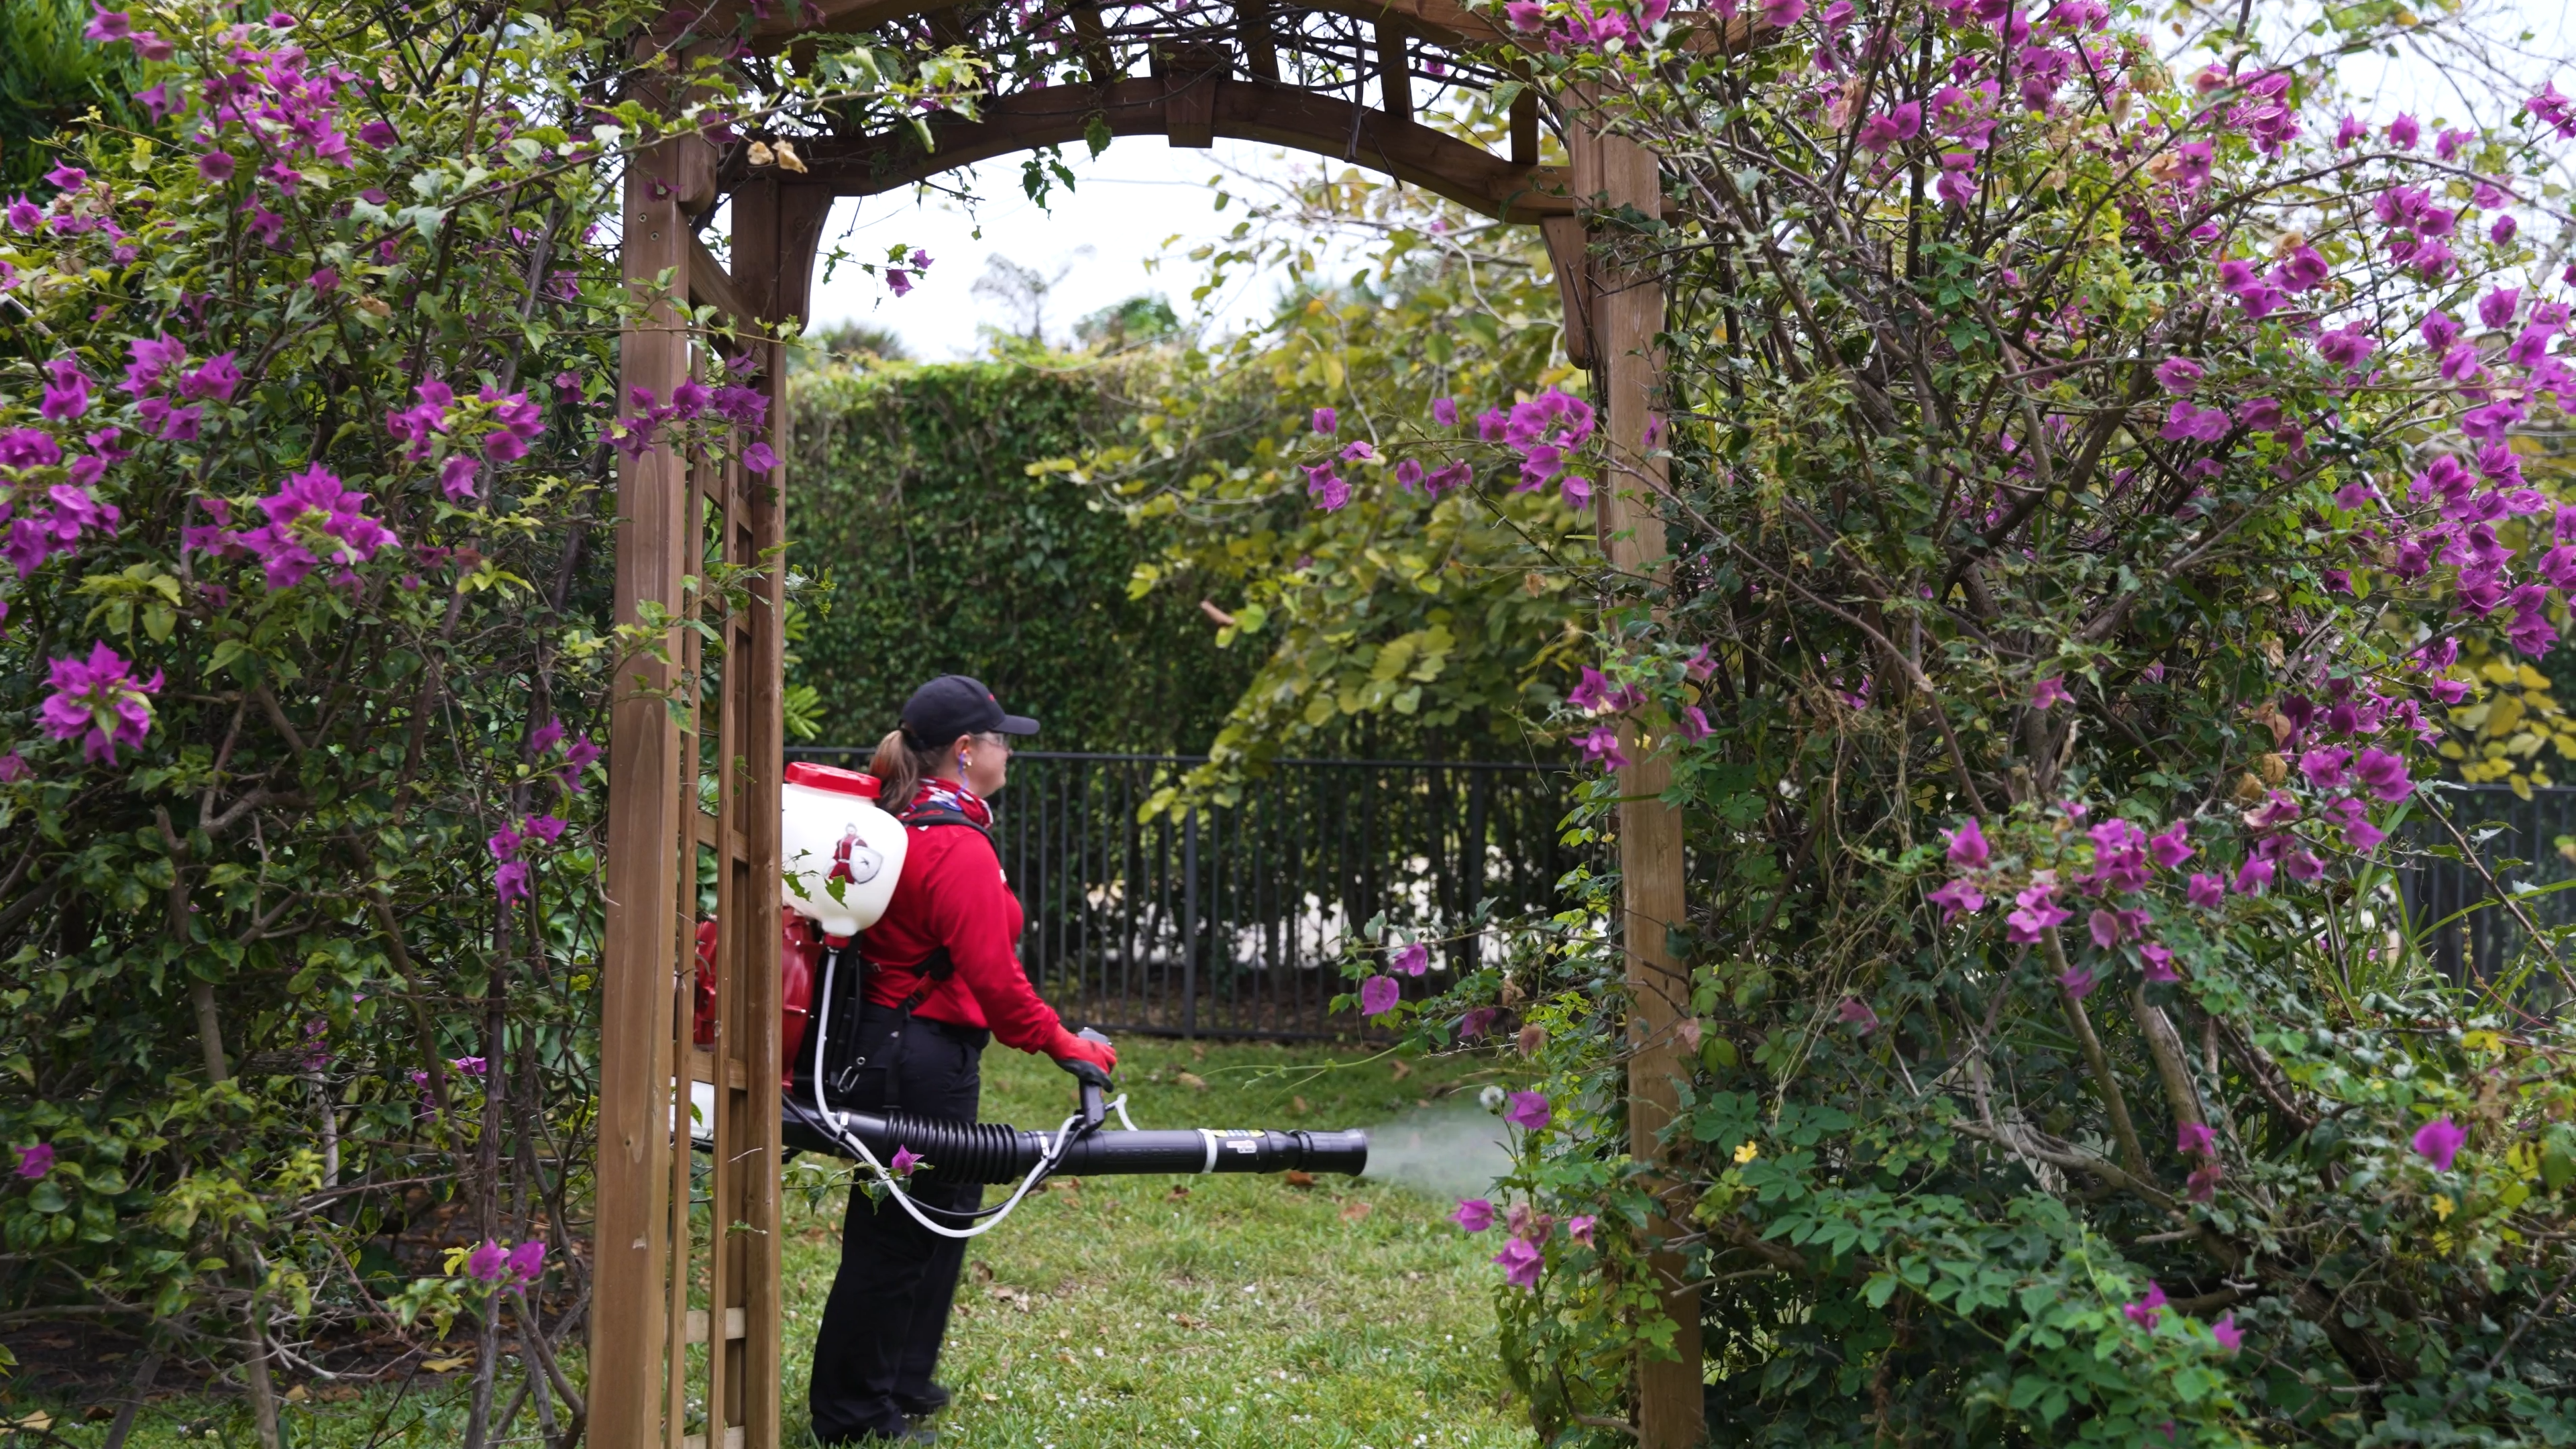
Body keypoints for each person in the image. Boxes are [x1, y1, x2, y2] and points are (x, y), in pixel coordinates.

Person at [806, 674, 1119, 1446]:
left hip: (895, 1048)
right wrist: (1068, 1046)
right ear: (966, 751)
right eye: (1002, 739)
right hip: (920, 1058)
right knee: (897, 1239)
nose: (1009, 752)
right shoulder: (954, 843)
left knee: (935, 1222)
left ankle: (903, 1380)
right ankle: (852, 1416)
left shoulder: (903, 820)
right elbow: (999, 985)